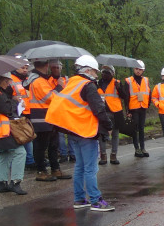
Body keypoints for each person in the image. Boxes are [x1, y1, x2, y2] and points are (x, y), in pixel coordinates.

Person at [45, 55, 115, 211]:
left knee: (80, 167)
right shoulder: (88, 85)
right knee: (90, 168)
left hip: (73, 131)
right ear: (88, 70)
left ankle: (79, 199)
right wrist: (108, 125)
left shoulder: (71, 83)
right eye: (95, 72)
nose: (97, 75)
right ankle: (96, 200)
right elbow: (98, 109)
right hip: (85, 131)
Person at [0, 72, 28, 195]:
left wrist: (10, 99)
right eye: (7, 81)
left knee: (4, 155)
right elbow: (6, 109)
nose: (9, 84)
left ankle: (2, 183)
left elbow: (4, 105)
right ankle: (15, 182)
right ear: (1, 80)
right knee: (20, 152)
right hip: (2, 131)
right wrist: (16, 103)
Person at [25, 59, 71, 181]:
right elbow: (51, 97)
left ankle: (55, 169)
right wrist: (60, 86)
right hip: (42, 118)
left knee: (53, 145)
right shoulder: (38, 81)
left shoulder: (42, 80)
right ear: (47, 65)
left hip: (48, 118)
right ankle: (41, 171)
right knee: (41, 146)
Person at [97, 64, 128, 165]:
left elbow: (125, 96)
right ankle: (103, 156)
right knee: (101, 134)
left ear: (112, 74)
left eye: (108, 72)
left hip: (116, 112)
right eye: (103, 72)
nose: (105, 74)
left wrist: (119, 88)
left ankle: (114, 155)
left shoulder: (117, 83)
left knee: (115, 134)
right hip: (102, 112)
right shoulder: (97, 83)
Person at [9, 57, 35, 169]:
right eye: (22, 67)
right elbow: (8, 94)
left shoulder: (28, 79)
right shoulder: (11, 79)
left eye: (26, 67)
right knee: (26, 136)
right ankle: (29, 160)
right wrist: (14, 98)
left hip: (30, 110)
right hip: (19, 112)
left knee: (30, 135)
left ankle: (30, 159)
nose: (25, 70)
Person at [50, 60, 74, 164]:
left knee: (71, 133)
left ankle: (72, 154)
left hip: (67, 109)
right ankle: (63, 154)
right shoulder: (49, 80)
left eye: (57, 67)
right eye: (53, 67)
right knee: (60, 135)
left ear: (61, 68)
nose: (55, 69)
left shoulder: (67, 79)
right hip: (56, 110)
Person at [126, 60, 150, 158]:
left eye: (140, 69)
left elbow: (149, 93)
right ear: (133, 69)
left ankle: (143, 147)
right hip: (133, 108)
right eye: (136, 69)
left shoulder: (146, 80)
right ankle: (137, 149)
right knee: (135, 129)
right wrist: (128, 111)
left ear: (143, 70)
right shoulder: (128, 81)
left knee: (141, 128)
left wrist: (147, 105)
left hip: (143, 107)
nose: (138, 71)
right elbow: (126, 97)